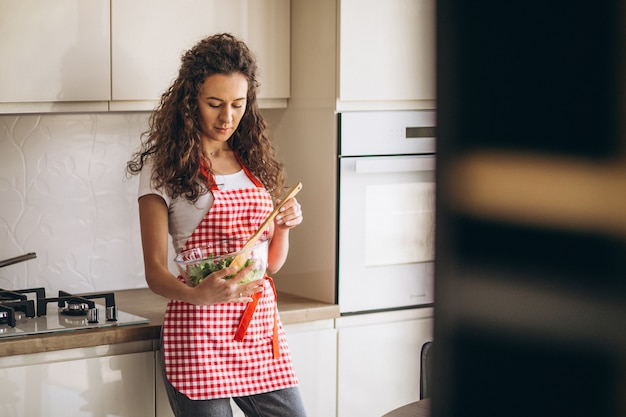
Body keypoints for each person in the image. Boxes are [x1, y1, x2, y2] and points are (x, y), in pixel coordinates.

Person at [126, 33, 307, 417]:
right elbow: (155, 272)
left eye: (238, 105)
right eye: (214, 104)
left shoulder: (252, 159)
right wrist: (198, 295)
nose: (227, 117)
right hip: (198, 332)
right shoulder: (164, 168)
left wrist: (286, 225)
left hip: (258, 329)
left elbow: (268, 265)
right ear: (191, 101)